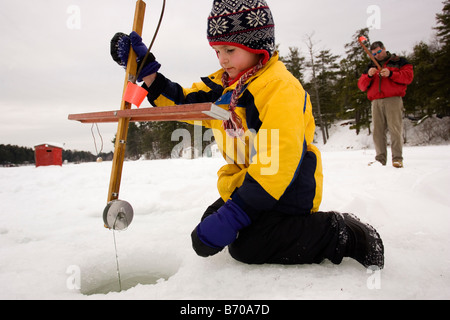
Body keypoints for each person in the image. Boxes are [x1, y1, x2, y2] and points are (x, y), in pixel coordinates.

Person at [111, 0, 384, 268]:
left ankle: (342, 232)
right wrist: (147, 71)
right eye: (217, 50)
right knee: (213, 220)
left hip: (289, 187)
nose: (223, 58)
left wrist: (236, 214)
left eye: (230, 49)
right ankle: (248, 215)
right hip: (252, 181)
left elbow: (277, 162)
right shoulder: (228, 85)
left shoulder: (279, 88)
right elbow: (184, 103)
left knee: (249, 245)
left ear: (258, 46)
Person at [358, 41, 414, 168]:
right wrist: (369, 75)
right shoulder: (370, 66)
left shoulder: (399, 61)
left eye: (378, 52)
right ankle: (380, 159)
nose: (377, 55)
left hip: (393, 99)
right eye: (374, 54)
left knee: (395, 129)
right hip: (376, 101)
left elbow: (408, 77)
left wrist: (391, 74)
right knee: (378, 131)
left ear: (384, 49)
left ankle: (397, 159)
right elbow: (361, 86)